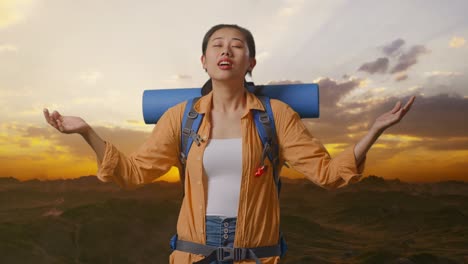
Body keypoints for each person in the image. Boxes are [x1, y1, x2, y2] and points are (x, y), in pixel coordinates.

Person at [44, 24, 415, 264]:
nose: (226, 50)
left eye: (237, 46)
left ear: (250, 62)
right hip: (193, 256)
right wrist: (86, 132)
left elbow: (329, 174)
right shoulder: (181, 118)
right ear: (204, 62)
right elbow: (134, 172)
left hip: (257, 257)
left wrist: (374, 131)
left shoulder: (277, 116)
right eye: (217, 45)